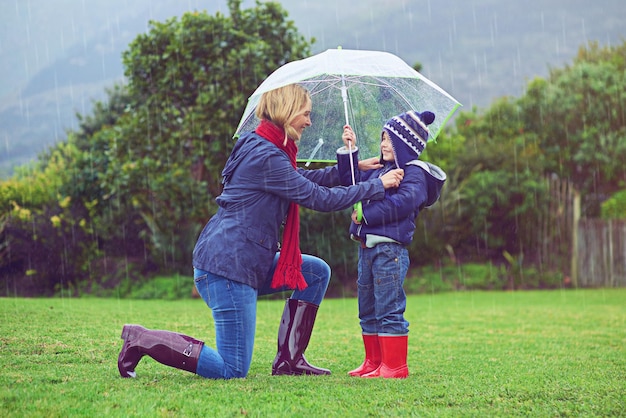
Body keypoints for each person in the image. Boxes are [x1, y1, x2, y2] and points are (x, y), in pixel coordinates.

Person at [117, 83, 405, 379]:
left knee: (316, 272)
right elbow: (316, 197)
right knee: (231, 369)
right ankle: (141, 339)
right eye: (305, 114)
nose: (308, 121)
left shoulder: (262, 144)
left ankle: (289, 361)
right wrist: (376, 185)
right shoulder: (268, 155)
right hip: (229, 267)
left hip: (244, 257)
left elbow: (299, 178)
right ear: (288, 111)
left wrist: (351, 168)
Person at [338, 110, 446, 379]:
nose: (384, 144)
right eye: (383, 138)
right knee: (368, 308)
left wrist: (366, 216)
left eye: (390, 139)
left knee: (388, 306)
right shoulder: (381, 170)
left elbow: (404, 203)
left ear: (406, 144)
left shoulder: (414, 173)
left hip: (389, 251)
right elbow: (351, 183)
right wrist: (349, 152)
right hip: (367, 249)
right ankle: (373, 361)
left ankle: (395, 365)